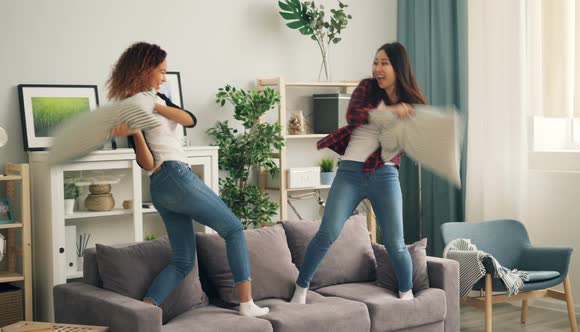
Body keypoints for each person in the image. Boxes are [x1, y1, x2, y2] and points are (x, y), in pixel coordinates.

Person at [108, 42, 269, 317]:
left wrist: (155, 109)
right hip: (175, 175)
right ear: (145, 69)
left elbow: (189, 120)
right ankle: (246, 304)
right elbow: (145, 159)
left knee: (183, 261)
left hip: (159, 187)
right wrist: (135, 133)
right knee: (233, 228)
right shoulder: (136, 105)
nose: (164, 78)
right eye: (161, 71)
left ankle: (144, 312)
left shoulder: (151, 101)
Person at [290, 42, 426, 304]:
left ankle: (406, 295)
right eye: (376, 62)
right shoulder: (366, 87)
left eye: (384, 63)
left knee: (396, 243)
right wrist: (390, 112)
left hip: (385, 175)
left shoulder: (412, 104)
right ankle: (300, 289)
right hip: (350, 173)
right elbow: (355, 116)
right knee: (327, 233)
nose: (378, 68)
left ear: (398, 67)